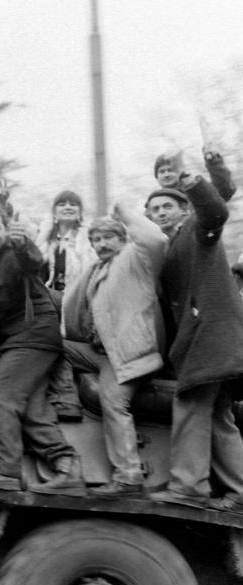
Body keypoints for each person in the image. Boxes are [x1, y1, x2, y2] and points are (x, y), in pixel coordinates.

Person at [0, 207, 84, 493]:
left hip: (33, 336)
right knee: (32, 408)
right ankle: (68, 468)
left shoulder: (12, 254)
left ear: (6, 231)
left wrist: (21, 241)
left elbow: (33, 261)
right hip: (20, 340)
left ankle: (6, 470)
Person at [145, 159, 243, 513]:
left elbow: (215, 210)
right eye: (154, 209)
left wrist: (196, 183)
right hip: (209, 337)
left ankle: (188, 486)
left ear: (184, 209)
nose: (160, 213)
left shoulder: (197, 231)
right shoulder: (167, 247)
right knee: (219, 415)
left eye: (167, 206)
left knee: (188, 404)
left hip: (210, 333)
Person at [62, 207, 167, 496]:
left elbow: (156, 240)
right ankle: (65, 401)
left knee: (114, 403)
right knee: (52, 344)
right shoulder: (97, 270)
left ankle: (129, 476)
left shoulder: (134, 260)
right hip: (100, 351)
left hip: (127, 355)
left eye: (109, 237)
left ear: (123, 238)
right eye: (96, 239)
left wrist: (125, 211)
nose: (102, 244)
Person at [33, 190, 95, 422]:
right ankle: (64, 398)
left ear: (80, 212)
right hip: (52, 303)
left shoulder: (87, 237)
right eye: (62, 204)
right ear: (54, 212)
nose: (68, 207)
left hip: (80, 302)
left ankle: (66, 396)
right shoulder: (46, 237)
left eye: (73, 204)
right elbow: (31, 258)